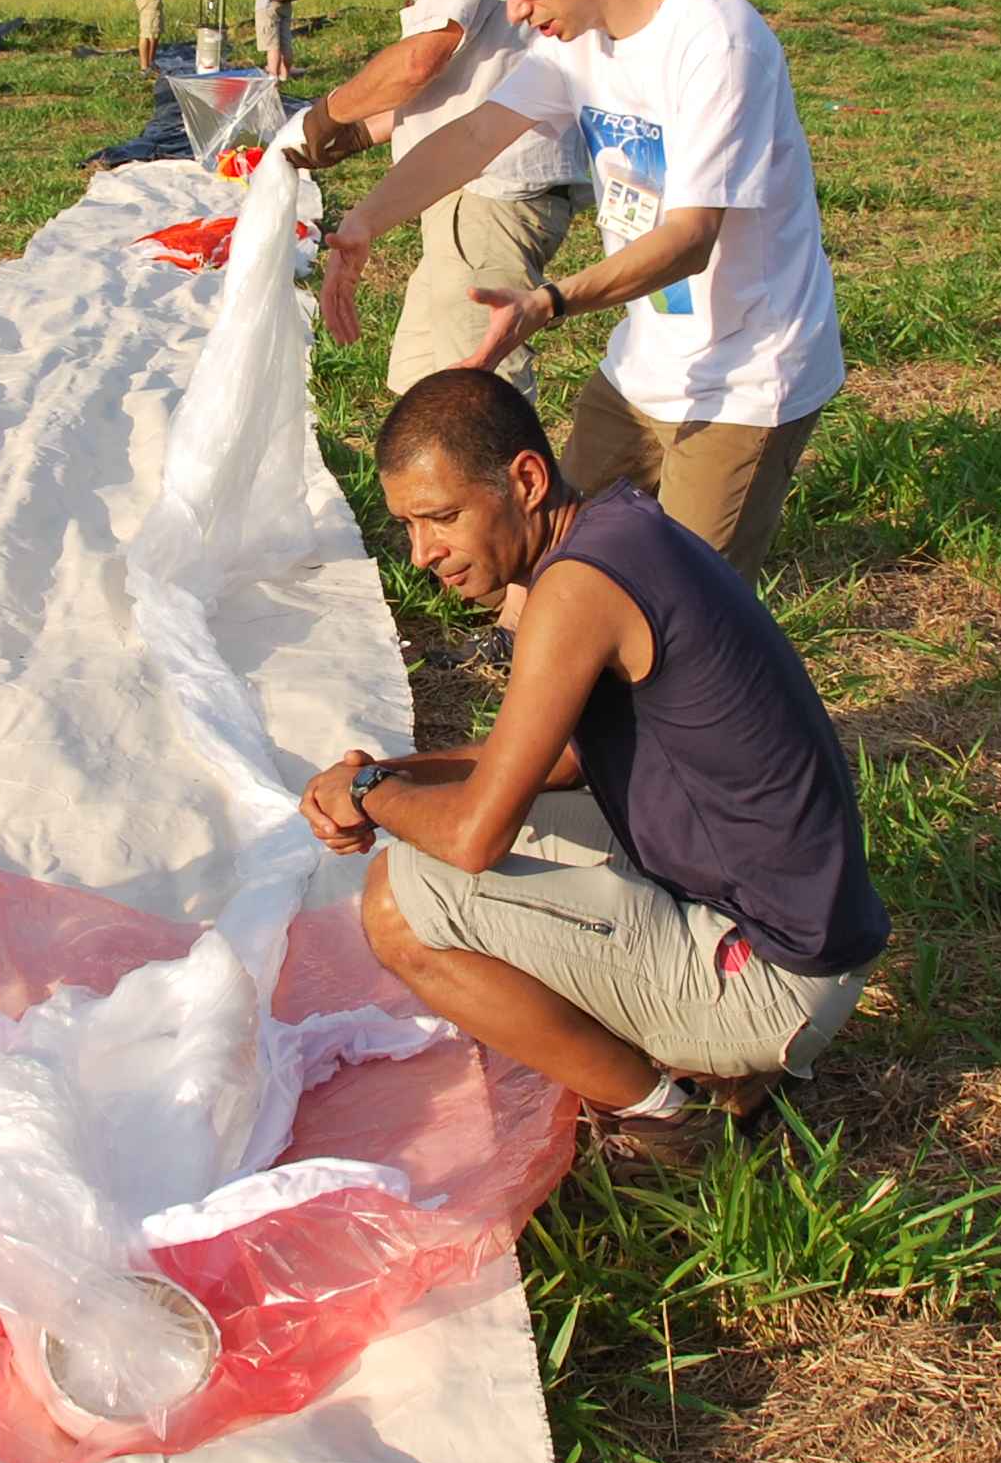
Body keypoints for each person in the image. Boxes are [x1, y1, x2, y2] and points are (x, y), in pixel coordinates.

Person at [304, 371, 884, 1164]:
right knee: (444, 839)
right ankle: (706, 1054)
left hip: (775, 978)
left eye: (441, 517)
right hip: (800, 929)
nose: (422, 553)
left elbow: (474, 835)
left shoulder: (577, 590)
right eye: (407, 525)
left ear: (527, 480)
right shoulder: (619, 531)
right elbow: (561, 757)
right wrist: (392, 774)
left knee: (403, 902)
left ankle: (665, 1120)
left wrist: (372, 792)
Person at [317, 0, 842, 581]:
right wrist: (365, 222)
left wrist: (549, 301)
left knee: (682, 603)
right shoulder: (574, 46)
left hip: (747, 374)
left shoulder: (715, 41)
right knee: (559, 561)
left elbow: (690, 240)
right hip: (647, 360)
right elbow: (474, 136)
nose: (518, 10)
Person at [288, 0, 589, 403]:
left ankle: (512, 497)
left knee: (478, 401)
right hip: (458, 193)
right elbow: (453, 87)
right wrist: (348, 136)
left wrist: (330, 113)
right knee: (423, 383)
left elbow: (424, 57)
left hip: (489, 196)